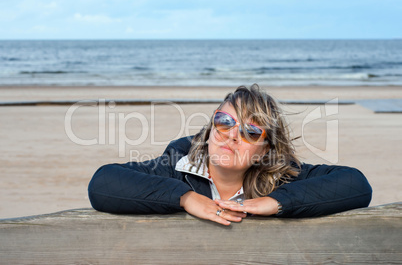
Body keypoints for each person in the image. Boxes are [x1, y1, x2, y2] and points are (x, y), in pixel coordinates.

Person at [88, 84, 372, 226]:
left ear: (265, 151)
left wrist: (276, 201)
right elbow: (103, 182)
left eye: (251, 132)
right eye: (225, 121)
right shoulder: (176, 163)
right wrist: (185, 198)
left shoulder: (282, 176)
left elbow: (356, 183)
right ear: (212, 126)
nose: (232, 135)